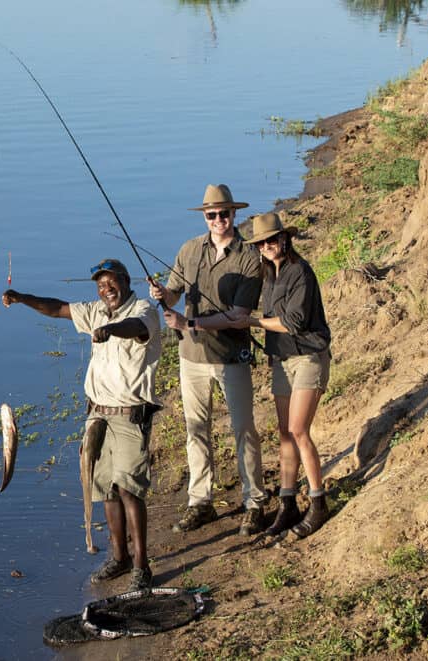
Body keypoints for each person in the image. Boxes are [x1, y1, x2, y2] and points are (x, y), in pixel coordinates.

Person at [3, 259, 162, 591]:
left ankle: (141, 565)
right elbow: (57, 308)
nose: (106, 290)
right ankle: (118, 558)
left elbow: (135, 327)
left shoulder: (144, 309)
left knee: (129, 488)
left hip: (130, 413)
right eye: (101, 287)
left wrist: (111, 329)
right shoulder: (95, 311)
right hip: (97, 415)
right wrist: (21, 298)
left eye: (111, 283)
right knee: (104, 488)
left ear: (125, 280)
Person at [148, 184, 268, 536]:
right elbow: (173, 292)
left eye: (224, 214)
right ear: (205, 216)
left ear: (235, 214)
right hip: (191, 356)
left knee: (243, 429)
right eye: (212, 214)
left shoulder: (249, 257)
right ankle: (200, 501)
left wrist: (191, 323)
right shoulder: (189, 249)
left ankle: (254, 502)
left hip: (231, 356)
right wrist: (163, 294)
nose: (218, 220)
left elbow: (241, 314)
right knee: (195, 431)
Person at [235, 212, 331, 537]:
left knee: (299, 430)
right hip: (283, 361)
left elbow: (293, 322)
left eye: (272, 240)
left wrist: (250, 323)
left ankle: (318, 503)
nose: (267, 246)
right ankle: (288, 502)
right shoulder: (269, 274)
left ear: (284, 238)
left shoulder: (299, 272)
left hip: (308, 358)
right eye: (262, 242)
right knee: (284, 433)